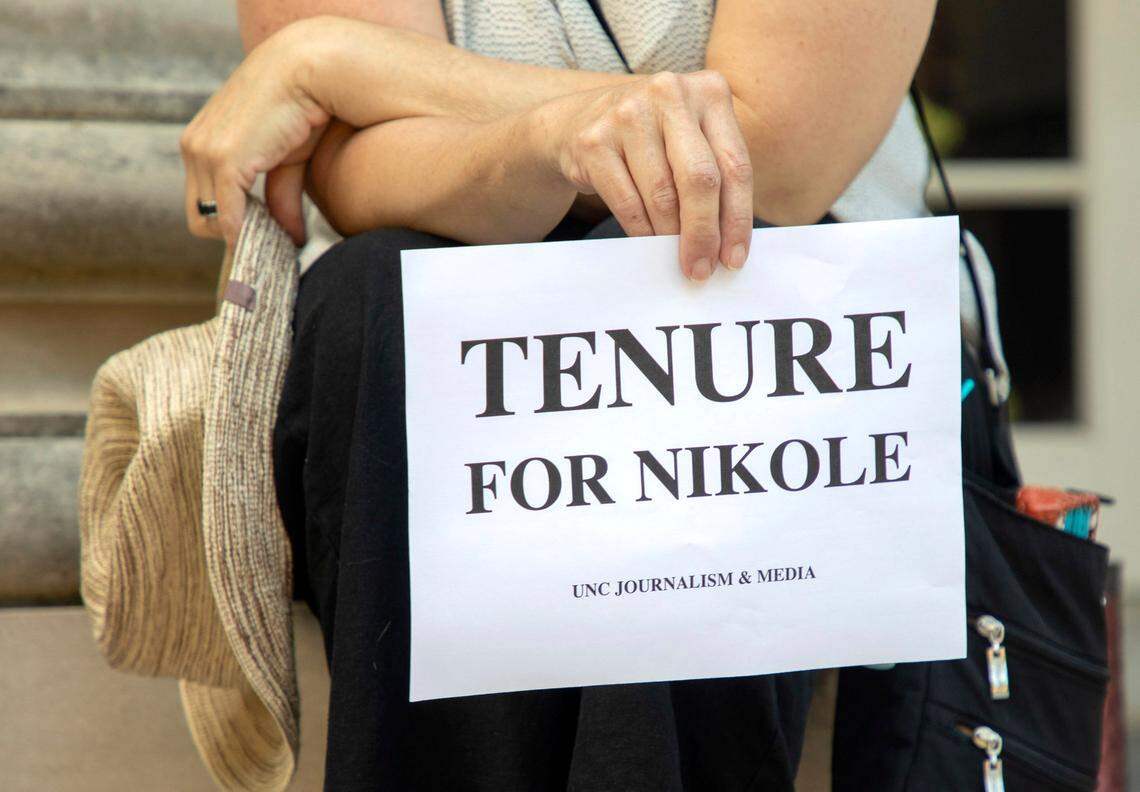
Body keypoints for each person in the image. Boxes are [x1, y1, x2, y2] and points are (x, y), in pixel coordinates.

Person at [180, 1, 938, 788]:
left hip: (790, 363)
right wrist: (550, 140)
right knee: (388, 289)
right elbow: (353, 173)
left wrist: (338, 62)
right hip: (418, 376)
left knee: (660, 297)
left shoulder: (330, 60)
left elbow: (770, 161)